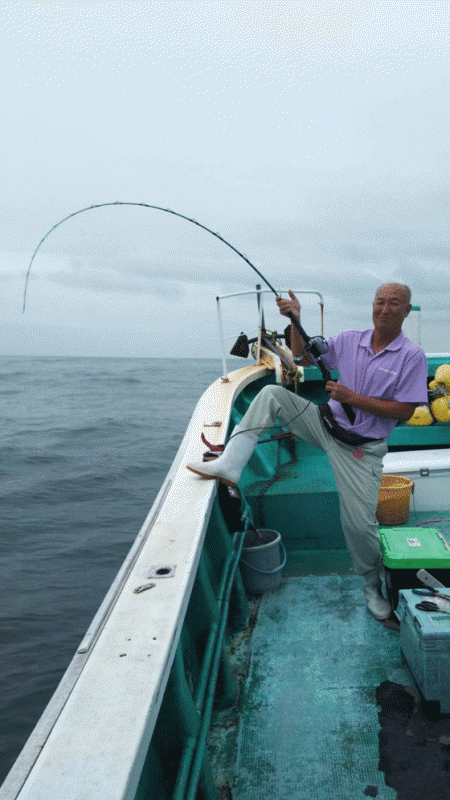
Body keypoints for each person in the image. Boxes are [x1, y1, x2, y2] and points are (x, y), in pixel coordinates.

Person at [187, 283, 428, 620]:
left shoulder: (411, 357)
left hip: (360, 449)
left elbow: (404, 411)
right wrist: (295, 321)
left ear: (406, 310)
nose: (385, 309)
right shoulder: (349, 340)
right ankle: (230, 464)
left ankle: (372, 586)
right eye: (379, 302)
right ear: (372, 306)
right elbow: (303, 356)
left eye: (394, 303)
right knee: (272, 394)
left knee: (359, 526)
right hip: (323, 422)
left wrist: (353, 398)